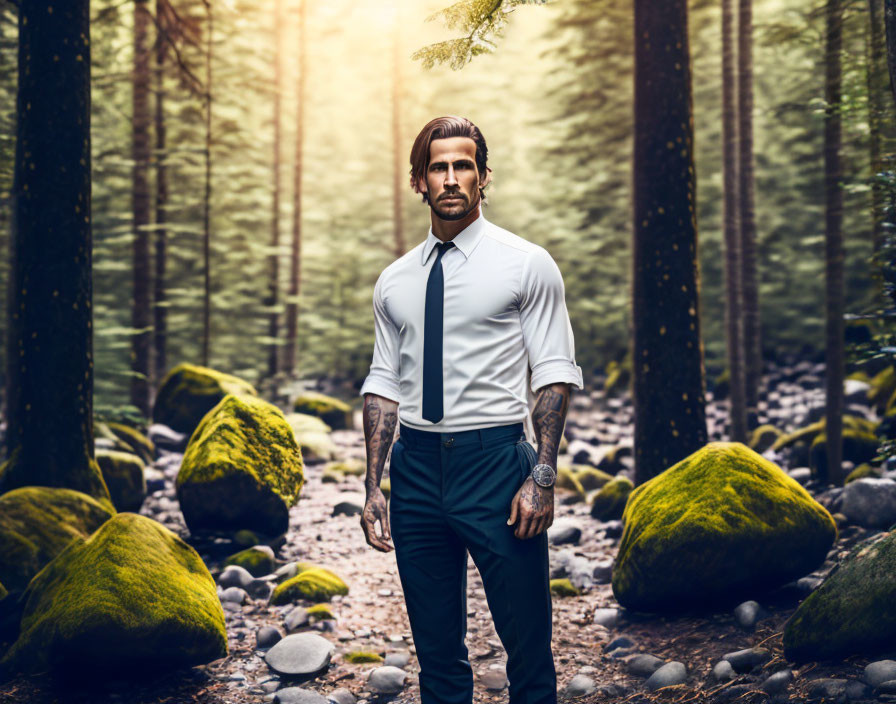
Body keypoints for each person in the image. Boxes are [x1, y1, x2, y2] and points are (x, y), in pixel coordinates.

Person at [359, 115, 583, 704]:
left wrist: (542, 476)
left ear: (483, 177)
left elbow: (554, 373)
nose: (452, 178)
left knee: (528, 649)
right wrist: (373, 486)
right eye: (439, 167)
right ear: (419, 181)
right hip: (415, 469)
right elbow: (383, 382)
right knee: (437, 657)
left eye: (464, 166)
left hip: (496, 464)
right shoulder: (394, 280)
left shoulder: (526, 264)